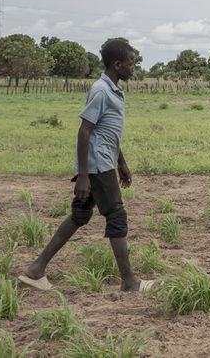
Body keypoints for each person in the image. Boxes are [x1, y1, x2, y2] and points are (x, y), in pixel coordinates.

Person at [19, 39, 154, 292]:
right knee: (116, 216)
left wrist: (122, 162)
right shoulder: (101, 91)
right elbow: (85, 131)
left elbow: (107, 132)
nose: (133, 67)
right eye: (130, 63)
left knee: (80, 215)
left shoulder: (112, 89)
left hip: (103, 162)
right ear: (117, 65)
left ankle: (36, 270)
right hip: (97, 166)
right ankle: (130, 282)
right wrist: (83, 176)